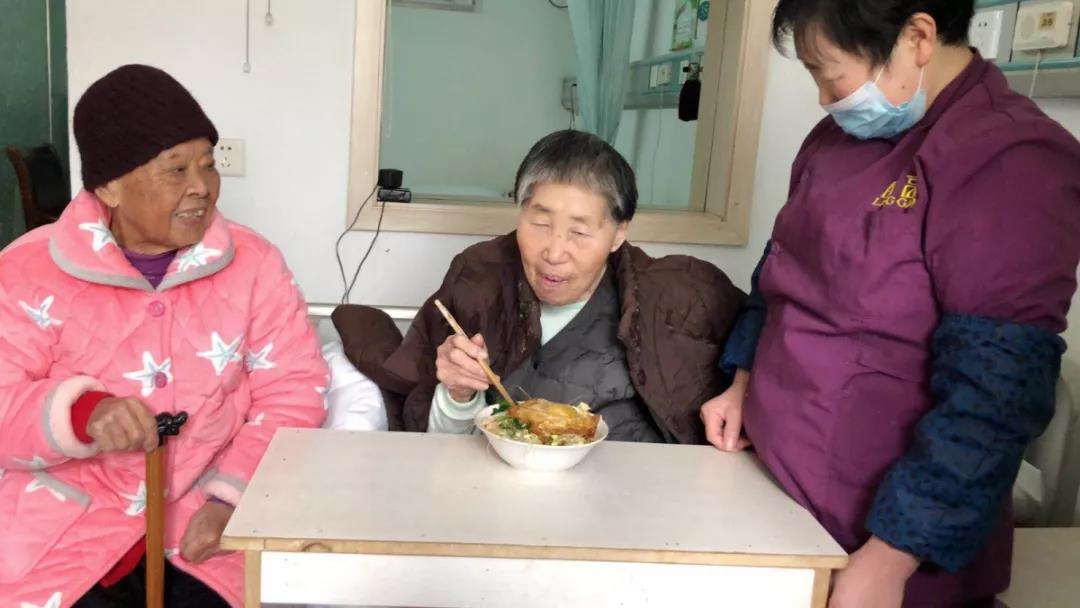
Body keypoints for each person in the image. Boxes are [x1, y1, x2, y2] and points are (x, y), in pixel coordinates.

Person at [700, 2, 1080, 607]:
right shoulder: (836, 137)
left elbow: (997, 392)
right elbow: (780, 268)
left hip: (875, 536)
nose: (825, 98)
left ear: (918, 37)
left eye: (831, 74)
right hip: (772, 486)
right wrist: (743, 381)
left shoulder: (1011, 159)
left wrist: (893, 554)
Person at [0, 65, 329, 607]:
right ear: (109, 185)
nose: (202, 187)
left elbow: (294, 391)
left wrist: (230, 500)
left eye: (208, 164)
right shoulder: (27, 270)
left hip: (203, 523)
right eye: (176, 169)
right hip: (65, 529)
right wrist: (81, 414)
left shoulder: (255, 264)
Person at [334, 129, 744, 443]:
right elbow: (439, 445)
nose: (555, 252)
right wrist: (457, 394)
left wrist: (742, 390)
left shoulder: (677, 296)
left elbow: (764, 343)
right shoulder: (479, 278)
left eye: (579, 232)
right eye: (540, 223)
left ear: (619, 233)